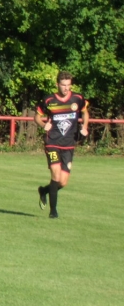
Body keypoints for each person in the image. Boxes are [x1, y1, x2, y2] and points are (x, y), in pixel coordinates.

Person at [36, 71, 88, 219]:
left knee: (63, 182)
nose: (66, 88)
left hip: (68, 145)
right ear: (57, 84)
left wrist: (85, 126)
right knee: (56, 174)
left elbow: (85, 112)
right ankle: (53, 211)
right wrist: (43, 125)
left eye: (68, 85)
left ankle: (44, 191)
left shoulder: (77, 98)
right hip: (52, 142)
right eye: (63, 85)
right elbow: (37, 116)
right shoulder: (49, 100)